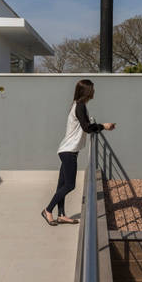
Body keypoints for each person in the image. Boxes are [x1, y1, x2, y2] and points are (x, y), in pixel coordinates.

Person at [42, 79, 115, 225]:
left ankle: (61, 215)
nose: (94, 92)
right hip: (68, 151)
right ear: (87, 91)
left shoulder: (79, 105)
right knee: (69, 185)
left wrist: (97, 125)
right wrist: (103, 126)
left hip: (67, 150)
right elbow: (87, 128)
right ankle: (48, 210)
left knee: (61, 186)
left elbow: (85, 125)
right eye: (92, 89)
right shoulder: (80, 106)